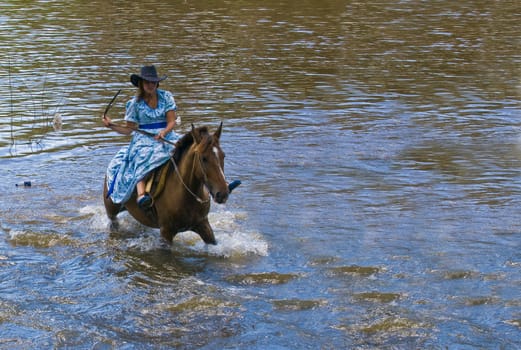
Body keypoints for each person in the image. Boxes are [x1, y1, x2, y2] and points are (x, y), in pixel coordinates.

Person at [102, 65, 179, 209]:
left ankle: (215, 185)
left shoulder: (166, 96)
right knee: (142, 155)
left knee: (191, 149)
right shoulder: (134, 104)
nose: (151, 85)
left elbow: (171, 121)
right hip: (143, 138)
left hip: (166, 134)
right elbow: (128, 130)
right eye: (147, 82)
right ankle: (141, 194)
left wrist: (164, 132)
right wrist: (111, 125)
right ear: (141, 84)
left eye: (153, 82)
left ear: (157, 83)